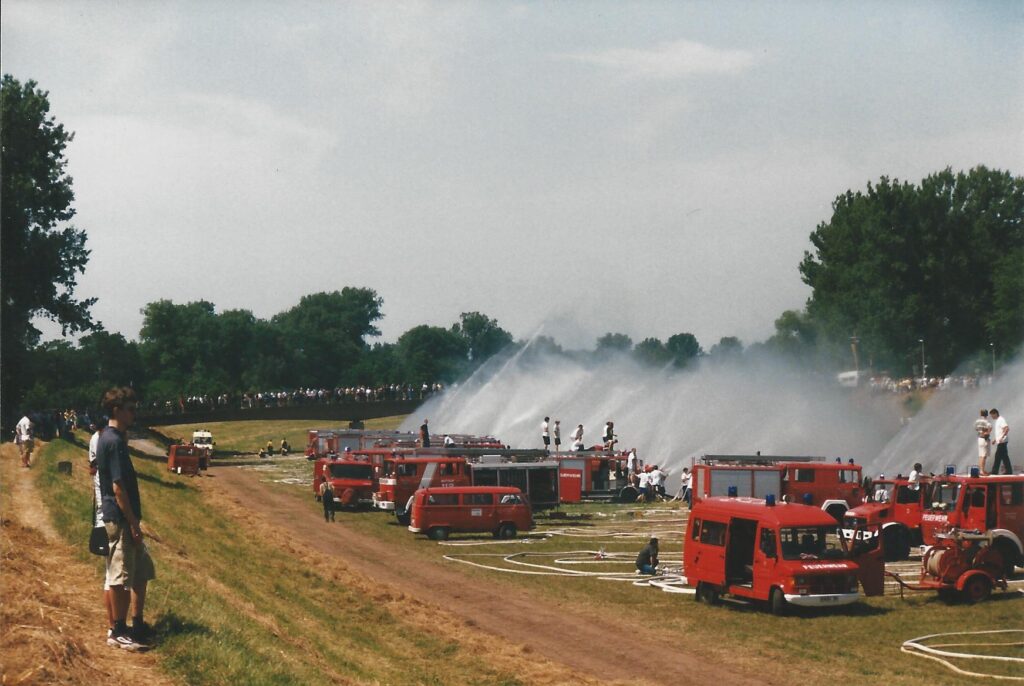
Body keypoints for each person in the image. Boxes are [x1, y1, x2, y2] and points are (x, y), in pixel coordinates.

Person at [96, 387, 155, 650]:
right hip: (119, 519)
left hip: (117, 516)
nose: (134, 413)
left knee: (133, 571)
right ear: (116, 410)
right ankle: (118, 630)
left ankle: (128, 626)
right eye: (130, 409)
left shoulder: (109, 437)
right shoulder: (114, 442)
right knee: (119, 576)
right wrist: (133, 524)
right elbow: (118, 488)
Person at [990, 409, 1011, 475]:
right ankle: (1008, 471)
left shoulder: (1001, 420)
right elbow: (1000, 432)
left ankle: (994, 471)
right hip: (1001, 441)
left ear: (995, 413)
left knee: (998, 457)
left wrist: (1002, 437)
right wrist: (995, 439)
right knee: (1004, 457)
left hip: (1002, 441)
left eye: (992, 415)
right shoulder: (998, 420)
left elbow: (1006, 428)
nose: (992, 417)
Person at [975, 409, 992, 475]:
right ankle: (982, 470)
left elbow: (976, 428)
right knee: (984, 456)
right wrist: (986, 433)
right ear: (987, 414)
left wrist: (980, 432)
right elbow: (990, 429)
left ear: (980, 414)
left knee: (980, 455)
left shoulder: (977, 421)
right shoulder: (987, 421)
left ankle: (980, 470)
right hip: (985, 439)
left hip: (979, 438)